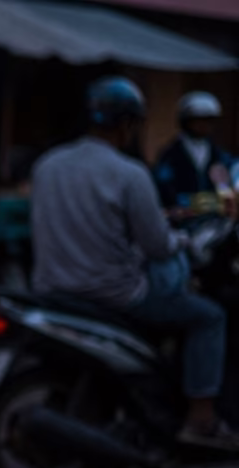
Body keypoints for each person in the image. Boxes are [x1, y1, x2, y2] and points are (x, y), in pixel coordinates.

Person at [31, 77, 235, 448]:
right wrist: (183, 241)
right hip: (116, 294)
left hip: (51, 288)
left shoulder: (47, 164)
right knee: (210, 316)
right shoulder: (132, 172)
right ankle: (201, 417)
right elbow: (157, 244)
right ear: (127, 124)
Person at [154, 91, 237, 223]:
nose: (204, 125)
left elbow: (227, 182)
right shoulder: (170, 155)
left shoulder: (219, 155)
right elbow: (164, 188)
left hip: (214, 224)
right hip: (181, 224)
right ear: (186, 121)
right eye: (199, 119)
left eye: (209, 120)